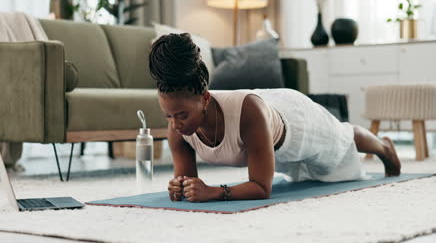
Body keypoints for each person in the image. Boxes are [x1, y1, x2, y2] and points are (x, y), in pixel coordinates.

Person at [148, 33, 401, 203]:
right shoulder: (177, 127)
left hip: (293, 120)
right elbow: (188, 183)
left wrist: (215, 192)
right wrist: (180, 187)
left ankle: (384, 148)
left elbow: (261, 187)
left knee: (340, 139)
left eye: (181, 115)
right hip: (265, 133)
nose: (174, 124)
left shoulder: (248, 113)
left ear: (204, 99)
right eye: (167, 116)